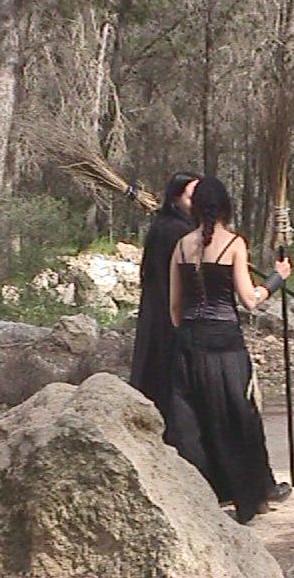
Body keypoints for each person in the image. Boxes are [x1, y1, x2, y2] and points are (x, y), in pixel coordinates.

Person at [165, 176, 292, 524]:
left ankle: (206, 495)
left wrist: (188, 332)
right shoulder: (234, 244)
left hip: (189, 343)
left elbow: (175, 307)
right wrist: (277, 279)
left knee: (196, 422)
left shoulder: (181, 246)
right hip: (225, 345)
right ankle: (250, 498)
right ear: (225, 206)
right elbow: (249, 299)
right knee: (237, 418)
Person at [130, 171, 201, 421]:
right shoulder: (173, 231)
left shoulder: (176, 227)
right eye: (192, 197)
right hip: (169, 311)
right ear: (175, 198)